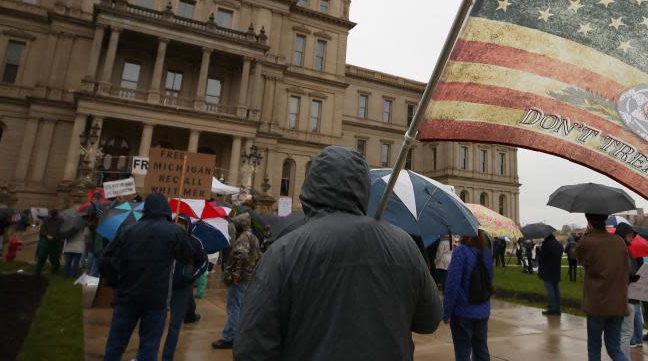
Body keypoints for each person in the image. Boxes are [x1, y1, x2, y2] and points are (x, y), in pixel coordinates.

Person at [233, 146, 441, 360]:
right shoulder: (404, 244)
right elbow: (430, 319)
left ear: (310, 187)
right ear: (363, 189)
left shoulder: (283, 251)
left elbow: (252, 347)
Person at [99, 193, 193, 361]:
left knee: (116, 343)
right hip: (156, 297)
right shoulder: (174, 231)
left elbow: (106, 259)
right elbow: (187, 257)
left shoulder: (128, 229)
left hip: (128, 293)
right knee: (149, 345)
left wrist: (115, 282)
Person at [574, 214, 630, 361]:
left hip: (597, 303)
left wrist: (585, 236)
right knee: (614, 349)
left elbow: (579, 258)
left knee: (594, 348)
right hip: (618, 302)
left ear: (589, 222)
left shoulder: (587, 241)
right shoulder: (619, 241)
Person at [211, 212, 260, 349]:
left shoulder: (244, 237)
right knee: (239, 307)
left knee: (234, 308)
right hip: (247, 276)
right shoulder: (253, 237)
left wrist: (236, 274)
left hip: (239, 278)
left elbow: (242, 255)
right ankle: (237, 335)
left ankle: (230, 337)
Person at [161, 216, 208, 361]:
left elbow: (203, 261)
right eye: (178, 223)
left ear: (188, 226)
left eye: (183, 224)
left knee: (175, 325)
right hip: (161, 287)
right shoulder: (164, 238)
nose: (180, 226)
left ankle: (167, 357)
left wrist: (190, 276)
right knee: (156, 323)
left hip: (182, 289)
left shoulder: (194, 242)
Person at [443, 232, 493, 361]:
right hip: (482, 310)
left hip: (463, 311)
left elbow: (452, 285)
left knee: (463, 352)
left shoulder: (460, 252)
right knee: (481, 349)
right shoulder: (487, 252)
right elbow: (489, 279)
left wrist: (447, 312)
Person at [614, 224, 643, 354]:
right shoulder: (623, 251)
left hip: (618, 296)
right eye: (630, 235)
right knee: (625, 334)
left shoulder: (615, 249)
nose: (632, 238)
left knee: (620, 333)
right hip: (626, 296)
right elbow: (628, 272)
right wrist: (635, 277)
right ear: (623, 235)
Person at [537, 229, 564, 316]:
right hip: (556, 269)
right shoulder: (558, 244)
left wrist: (539, 251)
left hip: (548, 270)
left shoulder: (547, 244)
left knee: (550, 290)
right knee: (556, 289)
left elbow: (542, 257)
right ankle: (557, 308)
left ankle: (552, 308)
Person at [35, 209, 63, 275]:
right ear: (57, 214)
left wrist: (46, 235)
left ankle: (38, 272)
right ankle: (54, 271)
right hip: (54, 241)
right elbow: (61, 230)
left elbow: (42, 231)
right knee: (54, 258)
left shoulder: (46, 220)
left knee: (42, 257)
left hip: (47, 241)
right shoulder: (60, 220)